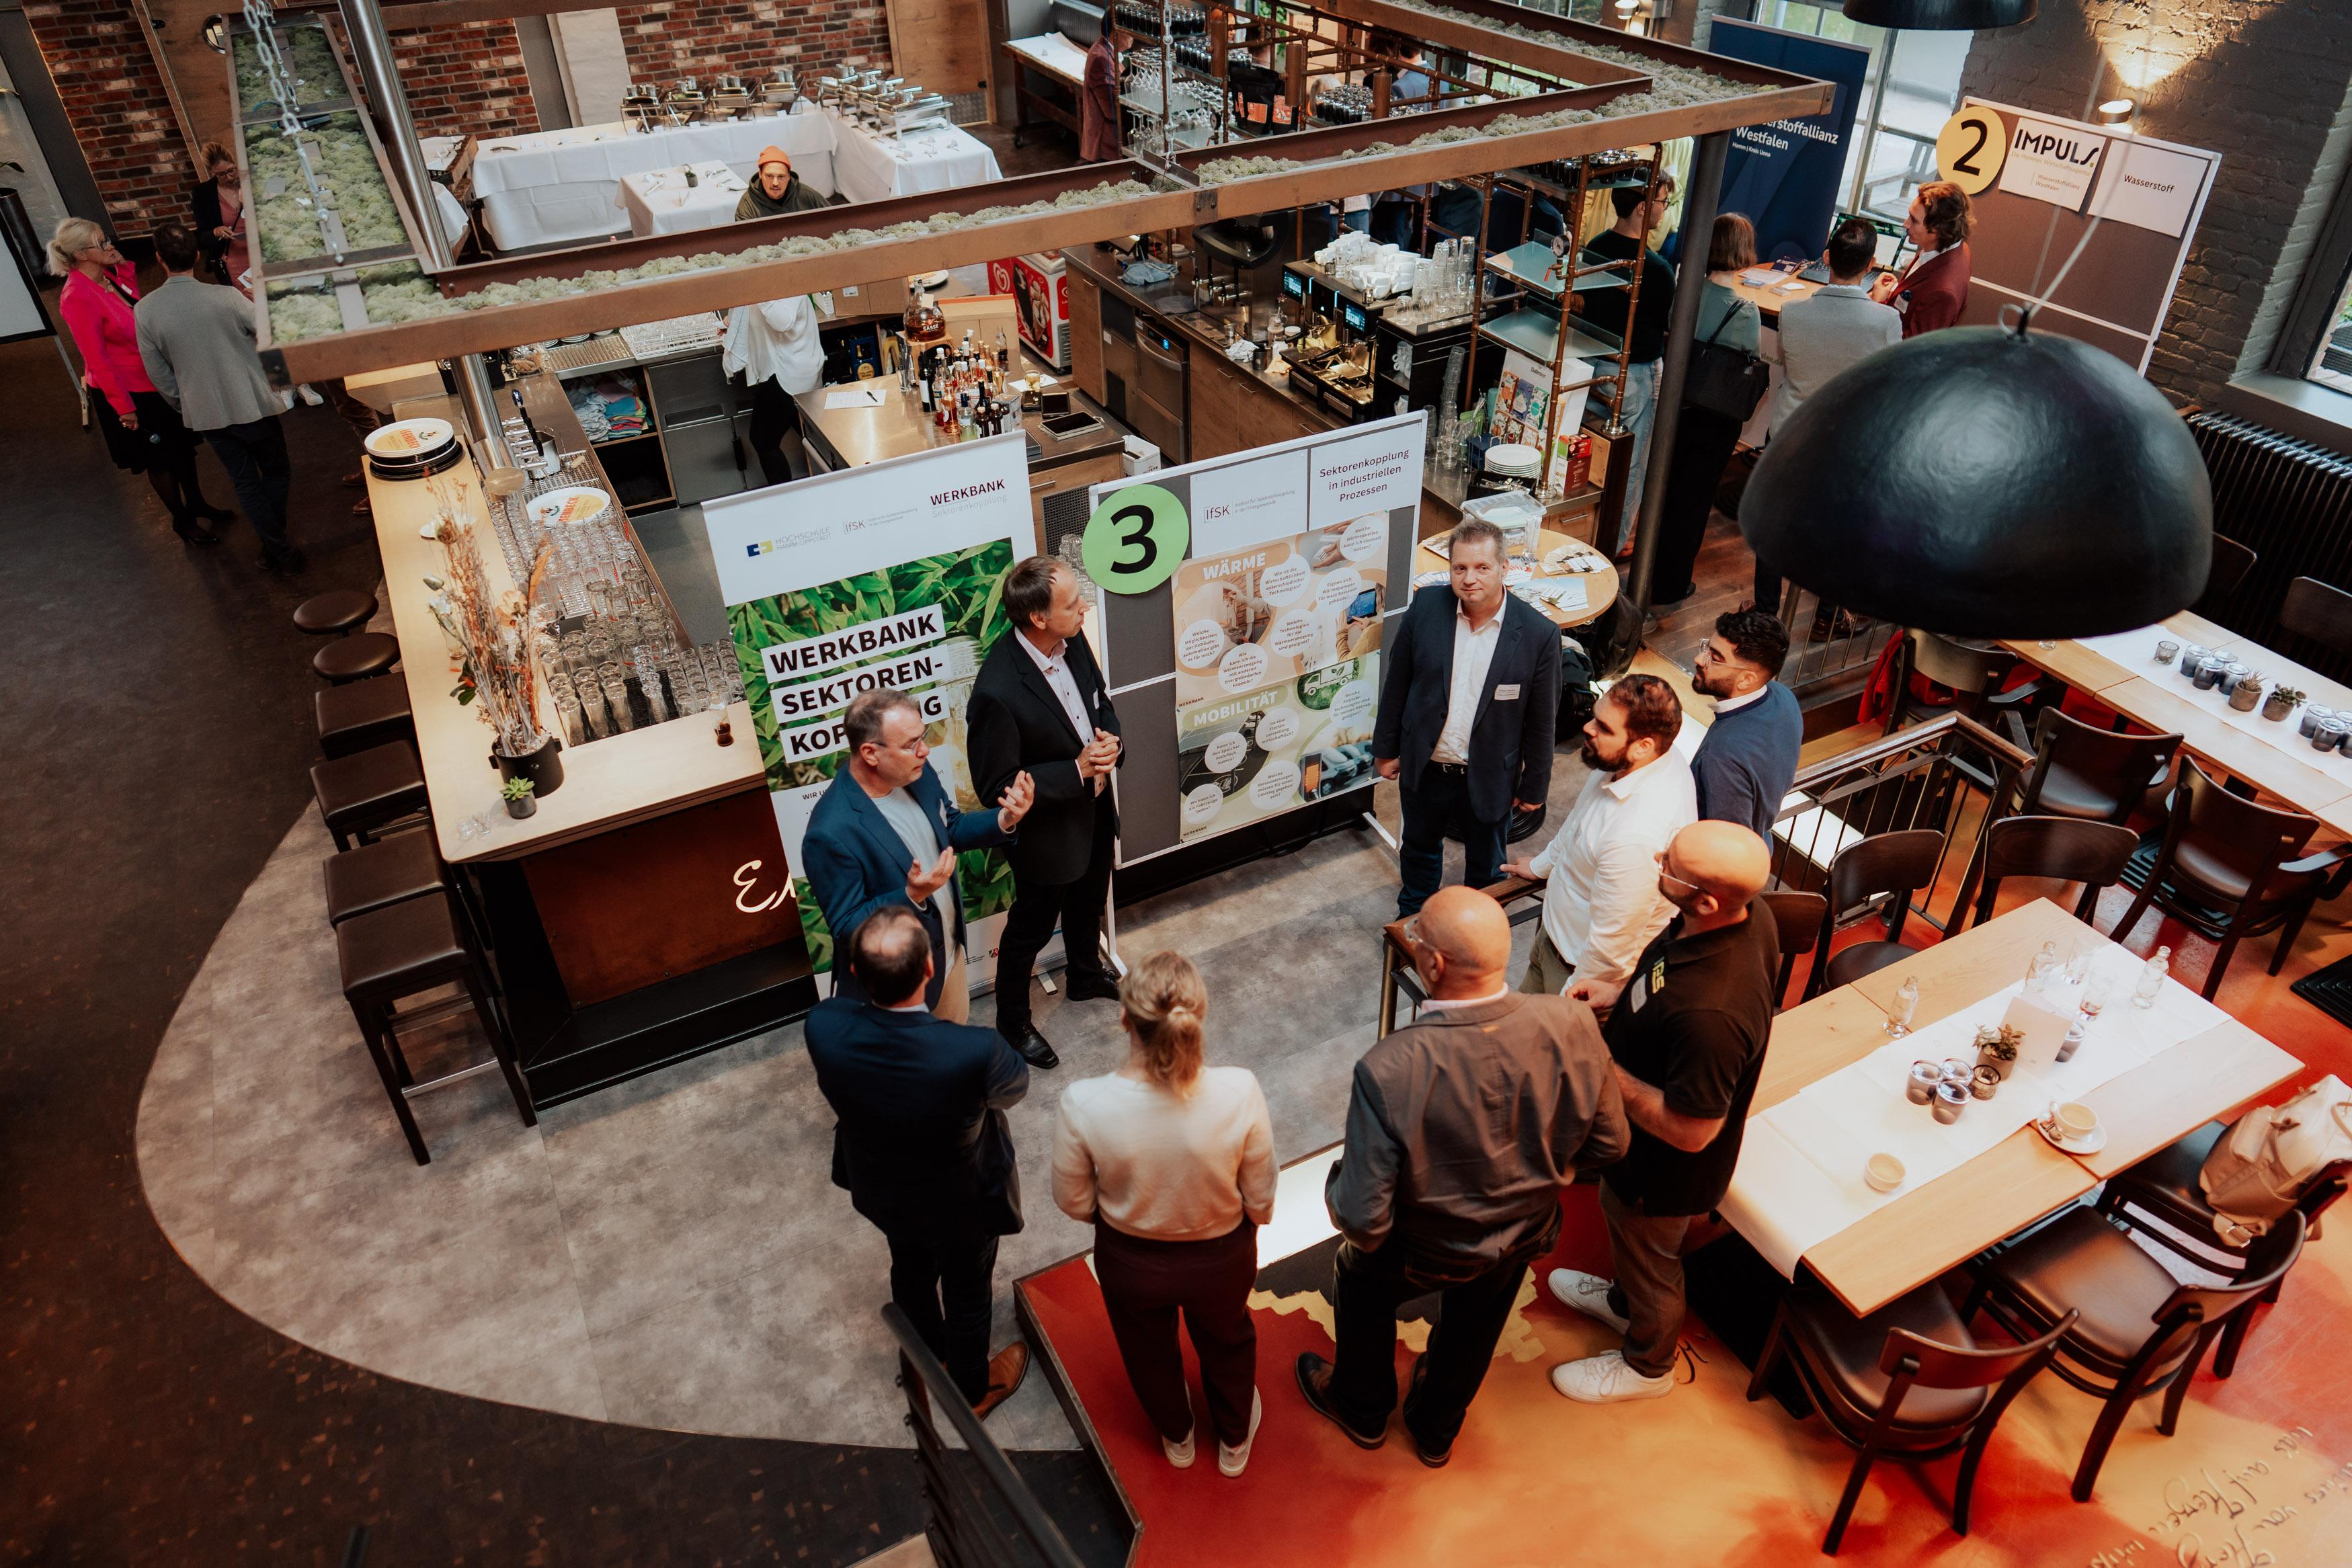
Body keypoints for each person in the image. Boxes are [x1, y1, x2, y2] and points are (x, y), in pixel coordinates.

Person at [1298, 886, 1627, 1464]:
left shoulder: (1389, 1068)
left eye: (1417, 936)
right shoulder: (1574, 1022)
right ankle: (1435, 1428)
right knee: (1479, 1315)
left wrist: (1336, 1187)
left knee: (1357, 1276)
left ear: (1431, 963)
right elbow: (1611, 1144)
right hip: (1525, 1229)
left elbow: (1362, 1219)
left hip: (1420, 1247)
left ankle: (1361, 1408)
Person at [1547, 820, 1777, 1405]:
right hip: (1632, 1148)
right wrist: (1620, 992)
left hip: (1662, 1172)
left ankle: (1648, 1365)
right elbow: (1664, 974)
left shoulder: (1712, 1015)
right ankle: (1621, 1303)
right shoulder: (1740, 917)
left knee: (1651, 1261)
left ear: (1706, 900)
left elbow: (1690, 1131)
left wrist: (1601, 1063)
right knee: (1626, 1240)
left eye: (1668, 863)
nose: (1657, 858)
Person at [1052, 952, 1276, 1477]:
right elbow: (1260, 1194)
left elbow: (1073, 1201)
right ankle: (1233, 1441)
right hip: (1221, 1257)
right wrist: (1250, 1221)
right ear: (1201, 1013)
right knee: (1228, 1340)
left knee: (1146, 1350)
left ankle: (1177, 1437)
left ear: (1124, 1018)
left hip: (1129, 1261)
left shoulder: (1083, 1102)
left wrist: (1122, 1218)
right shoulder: (1240, 1089)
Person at [804, 905, 1033, 1415]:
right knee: (968, 1290)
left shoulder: (823, 1026)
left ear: (855, 972)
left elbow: (843, 1014)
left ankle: (926, 1359)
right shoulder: (974, 1049)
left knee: (908, 1266)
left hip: (881, 1187)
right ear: (930, 968)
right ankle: (972, 1391)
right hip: (961, 1203)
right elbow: (1014, 1089)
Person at [967, 556, 1125, 1069]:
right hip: (1046, 834)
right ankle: (1012, 1022)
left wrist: (1110, 740)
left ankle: (1084, 975)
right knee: (1030, 931)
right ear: (1038, 617)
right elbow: (996, 786)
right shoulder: (996, 690)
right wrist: (1075, 770)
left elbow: (1100, 700)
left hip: (1095, 808)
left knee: (1088, 900)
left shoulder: (1071, 637)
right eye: (1073, 603)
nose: (1084, 608)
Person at [801, 689, 1035, 1024]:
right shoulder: (830, 831)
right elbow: (846, 925)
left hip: (947, 958)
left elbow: (950, 827)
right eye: (911, 744)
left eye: (922, 737)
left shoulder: (916, 772)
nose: (924, 751)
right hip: (897, 990)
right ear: (870, 753)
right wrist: (911, 896)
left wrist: (1005, 818)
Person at [1373, 516, 1561, 919]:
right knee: (1419, 851)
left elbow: (1542, 721)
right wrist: (1386, 748)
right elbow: (1397, 682)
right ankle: (1413, 926)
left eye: (1482, 567)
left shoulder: (1538, 634)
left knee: (1486, 866)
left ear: (1504, 568)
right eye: (1460, 568)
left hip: (1490, 773)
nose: (1469, 579)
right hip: (1427, 765)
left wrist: (1535, 785)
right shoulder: (1426, 607)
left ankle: (1476, 933)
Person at [1503, 673, 1694, 1006]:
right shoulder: (1629, 758)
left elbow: (1612, 947)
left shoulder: (1637, 837)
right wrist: (1542, 865)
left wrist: (1568, 1004)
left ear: (1643, 746)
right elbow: (1580, 820)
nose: (1588, 728)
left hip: (1574, 971)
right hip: (1554, 939)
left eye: (1604, 727)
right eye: (1595, 716)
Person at [50, 216, 233, 550]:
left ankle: (196, 503)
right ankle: (182, 521)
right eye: (102, 243)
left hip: (153, 379)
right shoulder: (76, 296)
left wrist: (122, 267)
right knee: (159, 459)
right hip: (129, 391)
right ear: (81, 254)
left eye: (107, 239)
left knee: (182, 447)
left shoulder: (105, 277)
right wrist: (125, 408)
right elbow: (97, 360)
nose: (110, 246)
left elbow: (133, 305)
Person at [136, 223, 307, 573]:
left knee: (244, 482)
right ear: (197, 255)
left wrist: (185, 403)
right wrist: (281, 381)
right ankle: (277, 547)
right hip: (253, 403)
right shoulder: (227, 296)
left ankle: (277, 550)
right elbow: (269, 334)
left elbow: (158, 373)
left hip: (205, 412)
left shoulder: (145, 310)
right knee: (276, 471)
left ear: (159, 259)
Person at [1755, 217, 1900, 614]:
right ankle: (1825, 614)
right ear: (1871, 266)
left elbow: (1789, 362)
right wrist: (1877, 304)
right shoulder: (1886, 320)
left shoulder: (1792, 312)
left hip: (1789, 433)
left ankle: (1766, 611)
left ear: (1826, 258)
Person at [1651, 212, 1764, 605]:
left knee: (1667, 489)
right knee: (1695, 500)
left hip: (1676, 402)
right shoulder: (1745, 311)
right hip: (1716, 416)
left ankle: (1649, 566)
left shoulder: (1684, 290)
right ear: (1744, 251)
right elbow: (1750, 361)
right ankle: (1672, 582)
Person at [1580, 171, 1678, 555]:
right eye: (1662, 202)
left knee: (1589, 458)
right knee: (1629, 466)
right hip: (1634, 374)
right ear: (1642, 207)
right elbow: (1664, 323)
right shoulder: (1656, 269)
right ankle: (1610, 547)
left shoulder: (1595, 247)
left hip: (1591, 365)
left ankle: (1585, 536)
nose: (1664, 210)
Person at [1689, 610, 1801, 845]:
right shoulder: (1784, 697)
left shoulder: (1721, 757)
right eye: (1707, 648)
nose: (1699, 659)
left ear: (1746, 680)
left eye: (1715, 658)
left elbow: (1727, 848)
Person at [722, 288, 823, 487]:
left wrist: (758, 289)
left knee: (763, 440)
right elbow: (757, 316)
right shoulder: (762, 288)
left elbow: (782, 322)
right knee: (813, 438)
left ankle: (785, 498)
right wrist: (732, 325)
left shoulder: (785, 284)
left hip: (789, 373)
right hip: (783, 371)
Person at [1871, 180, 1973, 338]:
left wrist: (1878, 306)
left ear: (1937, 230)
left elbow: (1911, 346)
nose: (1906, 224)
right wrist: (1897, 290)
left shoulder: (1942, 293)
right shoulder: (1955, 248)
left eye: (1914, 220)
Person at [188, 139, 248, 290]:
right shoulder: (203, 194)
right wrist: (215, 232)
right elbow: (201, 236)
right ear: (212, 173)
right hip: (234, 259)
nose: (228, 177)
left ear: (235, 164)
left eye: (231, 171)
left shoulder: (252, 180)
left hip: (264, 250)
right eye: (221, 174)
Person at [732, 145, 831, 219]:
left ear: (788, 177)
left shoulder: (807, 195)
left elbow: (833, 218)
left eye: (781, 177)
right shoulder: (748, 205)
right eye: (769, 176)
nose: (775, 183)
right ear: (760, 175)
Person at [1081, 22, 1131, 162]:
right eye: (1128, 31)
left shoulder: (1107, 50)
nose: (1132, 36)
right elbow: (1111, 110)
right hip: (1106, 145)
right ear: (1116, 32)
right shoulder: (1101, 58)